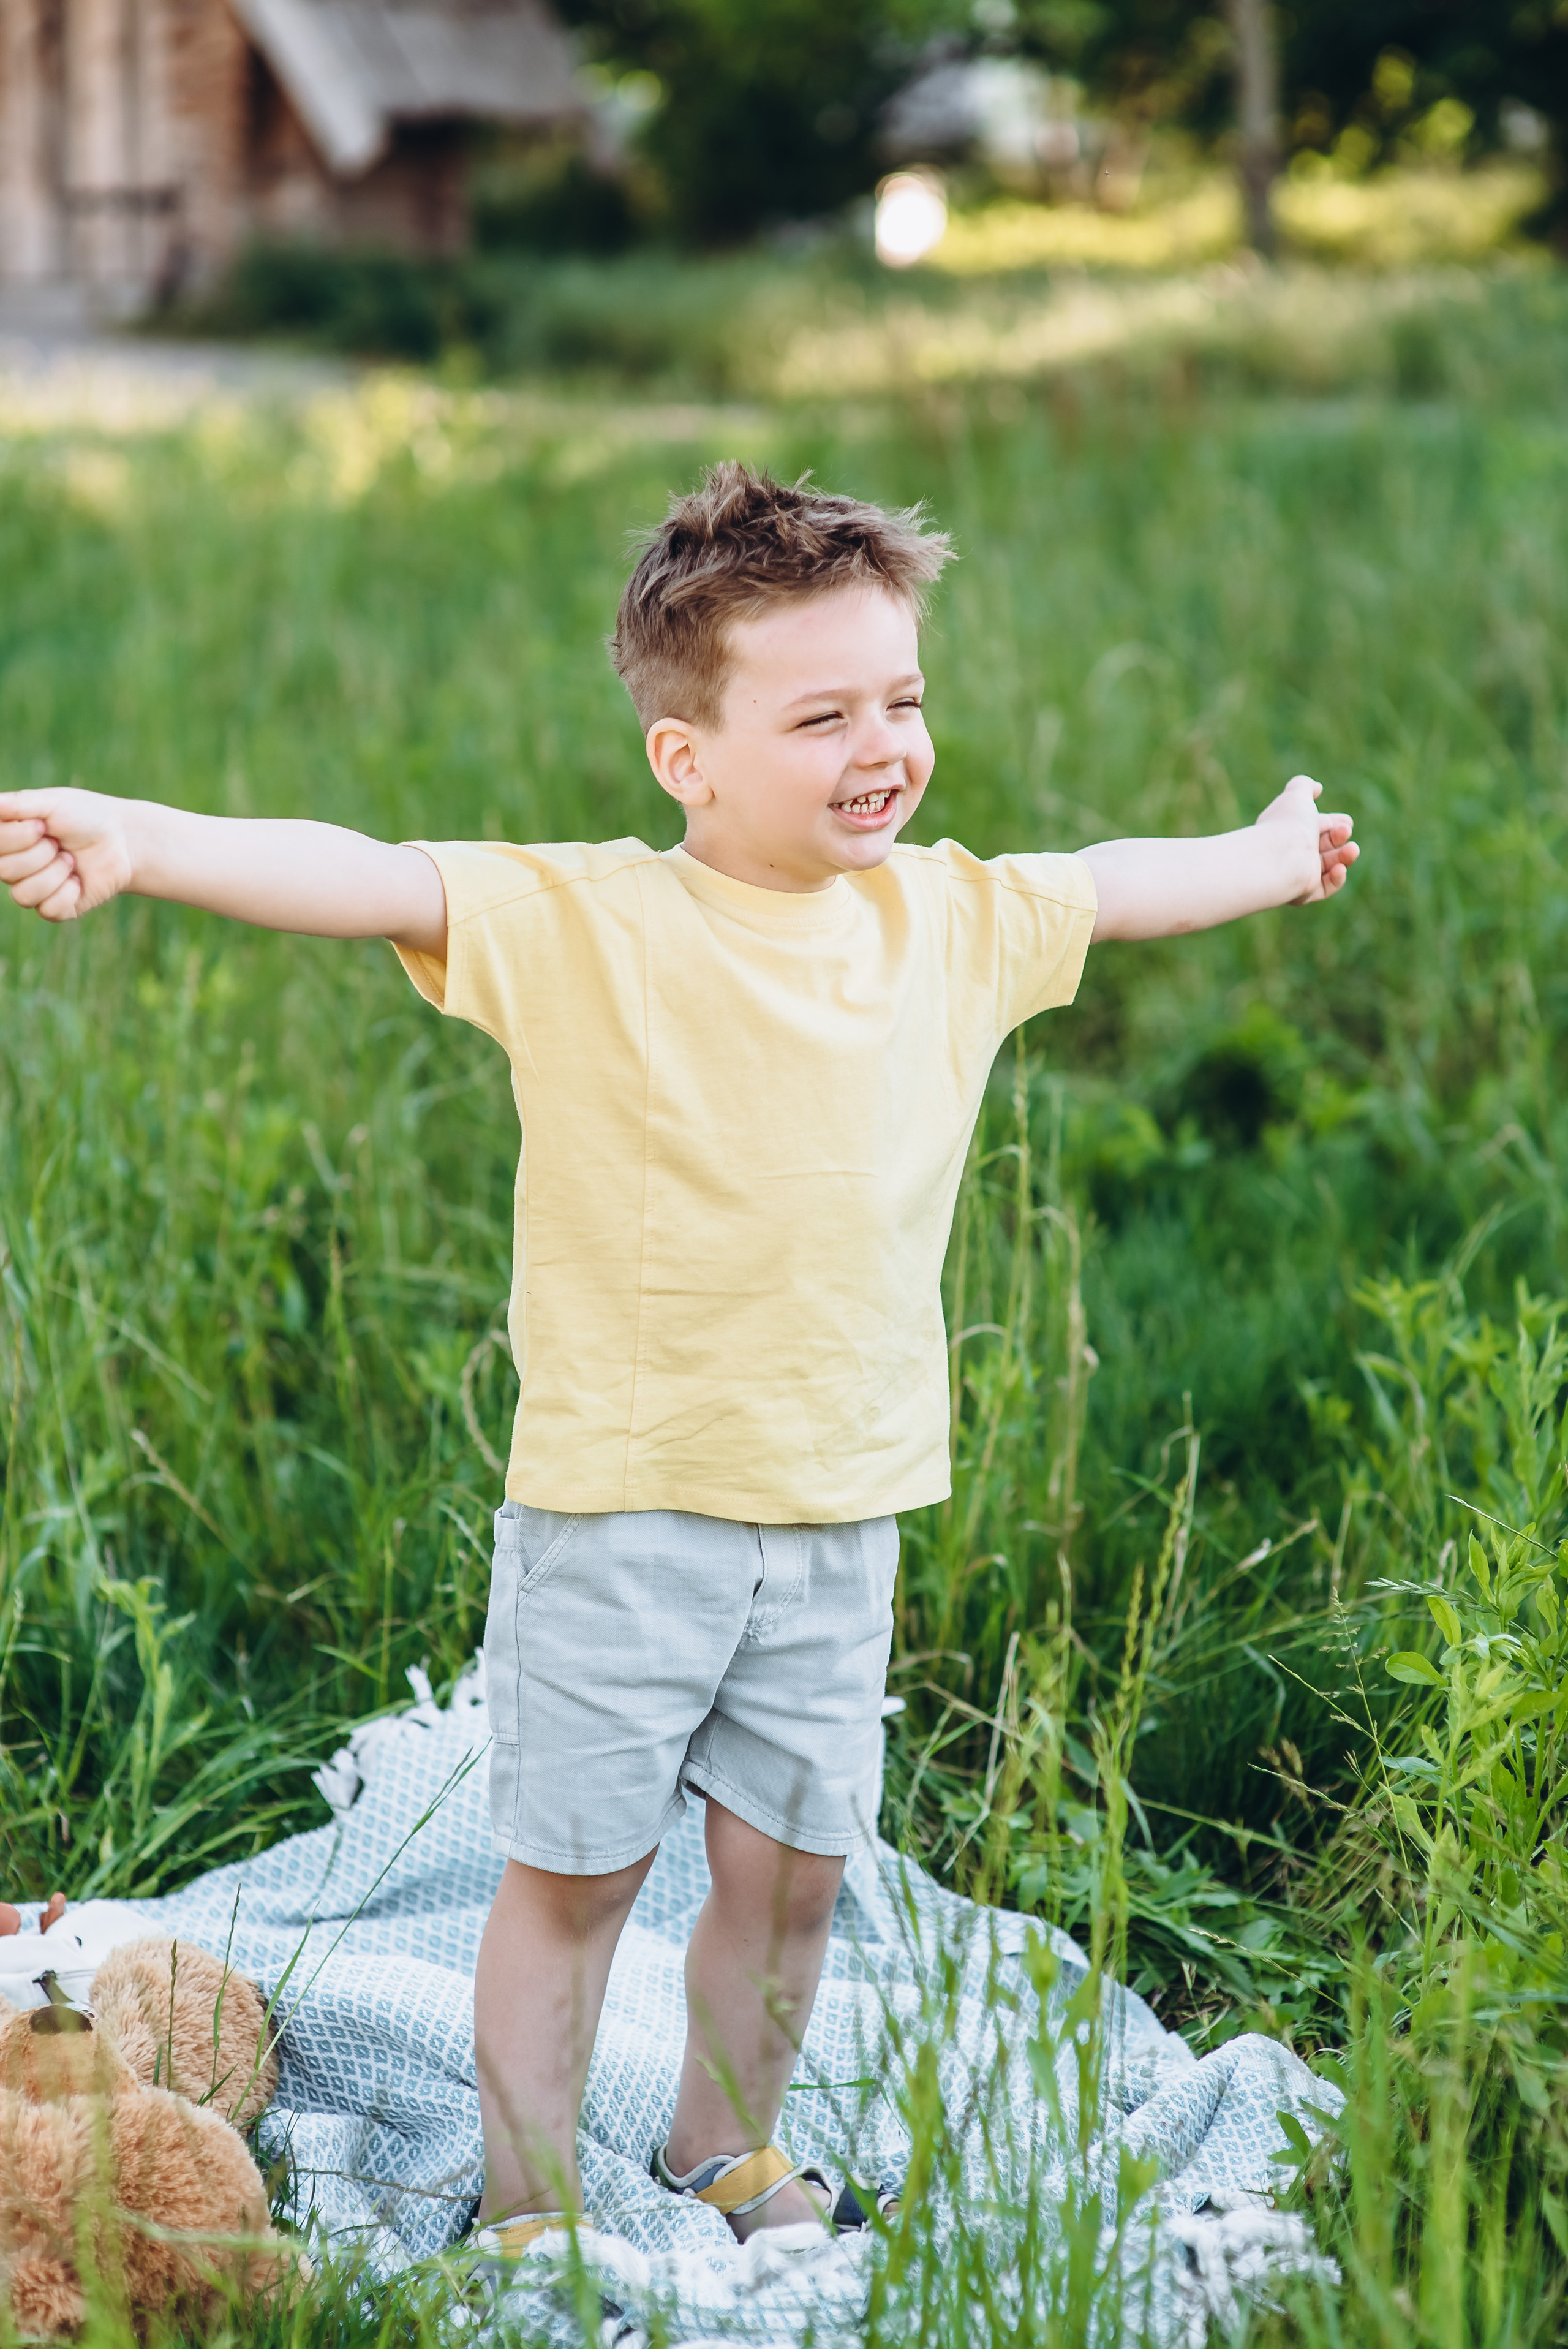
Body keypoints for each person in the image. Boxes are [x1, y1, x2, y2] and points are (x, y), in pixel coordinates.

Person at [0, 463, 1357, 2256]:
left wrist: (1270, 856)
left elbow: (1113, 884)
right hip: (626, 1506)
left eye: (903, 701)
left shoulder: (950, 919)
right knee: (579, 1878)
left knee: (794, 1883)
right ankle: (531, 2200)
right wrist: (142, 836)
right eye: (822, 716)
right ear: (687, 758)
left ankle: (723, 2146)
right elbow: (367, 873)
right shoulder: (593, 923)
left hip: (843, 1505)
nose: (882, 747)